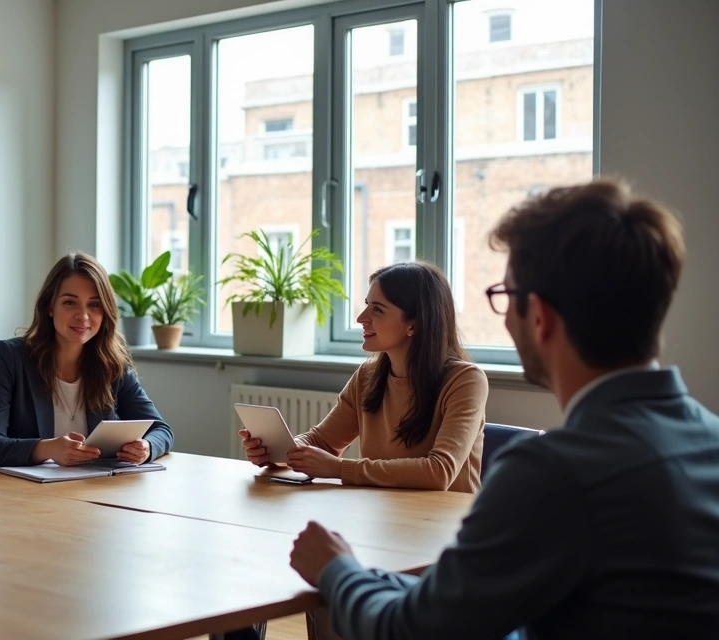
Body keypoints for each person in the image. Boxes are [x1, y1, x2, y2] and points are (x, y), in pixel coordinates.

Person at [289, 178, 719, 639]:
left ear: (539, 317)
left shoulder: (552, 474)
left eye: (505, 297)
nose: (506, 317)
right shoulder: (708, 442)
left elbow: (412, 631)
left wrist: (337, 570)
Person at [239, 261, 488, 492]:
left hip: (449, 526)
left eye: (377, 309)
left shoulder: (465, 381)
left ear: (414, 324)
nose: (361, 318)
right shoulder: (368, 376)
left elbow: (439, 472)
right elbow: (322, 441)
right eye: (367, 304)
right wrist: (280, 450)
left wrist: (339, 468)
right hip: (382, 515)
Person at [0, 252, 173, 468]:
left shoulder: (112, 363)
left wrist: (146, 447)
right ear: (50, 306)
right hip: (26, 496)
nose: (83, 316)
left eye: (94, 305)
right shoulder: (10, 358)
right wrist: (47, 448)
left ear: (105, 312)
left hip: (95, 492)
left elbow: (161, 430)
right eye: (70, 303)